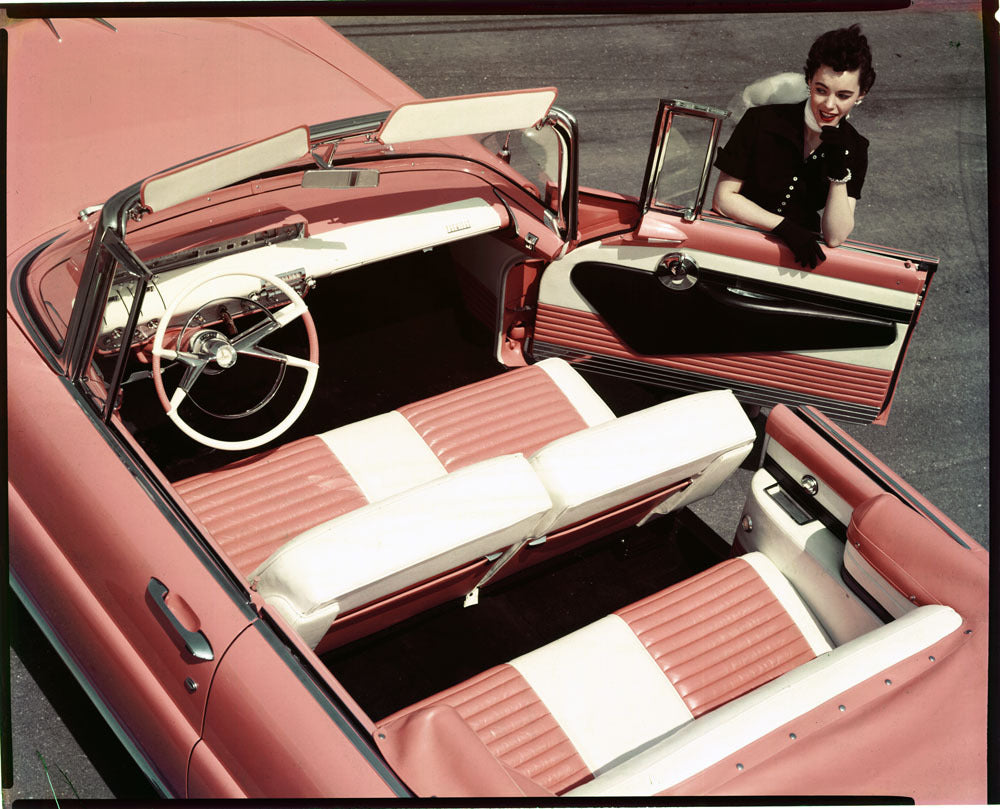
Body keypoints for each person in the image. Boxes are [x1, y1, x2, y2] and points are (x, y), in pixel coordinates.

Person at [713, 24, 876, 268]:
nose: (829, 105)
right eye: (821, 90)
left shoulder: (855, 147)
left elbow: (835, 236)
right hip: (738, 241)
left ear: (861, 94)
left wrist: (838, 173)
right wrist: (783, 226)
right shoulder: (760, 121)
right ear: (809, 80)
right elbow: (724, 199)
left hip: (796, 258)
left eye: (843, 96)